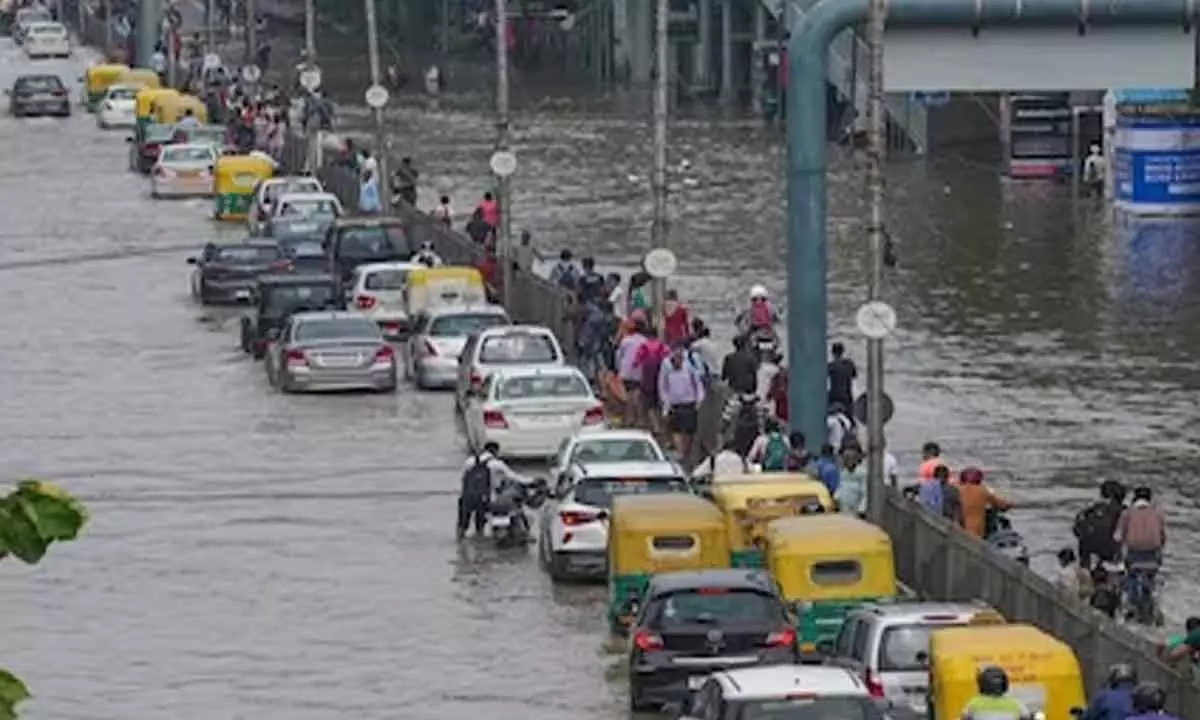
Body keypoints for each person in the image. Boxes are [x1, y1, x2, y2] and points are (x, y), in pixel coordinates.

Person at [457, 441, 529, 540]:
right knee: (481, 521)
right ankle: (480, 541)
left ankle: (460, 543)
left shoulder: (469, 461)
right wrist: (531, 481)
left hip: (467, 497)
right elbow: (513, 477)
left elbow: (462, 478)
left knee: (463, 523)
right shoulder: (496, 464)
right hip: (485, 499)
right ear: (496, 451)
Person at [1114, 485, 1166, 612]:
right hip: (1153, 556)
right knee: (1150, 578)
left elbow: (1118, 537)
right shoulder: (1158, 513)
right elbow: (1163, 537)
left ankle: (1130, 604)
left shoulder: (1127, 514)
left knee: (1130, 576)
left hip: (1134, 555)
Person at [658, 343, 705, 459]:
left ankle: (686, 453)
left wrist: (699, 400)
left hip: (689, 403)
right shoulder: (666, 365)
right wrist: (666, 403)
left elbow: (697, 383)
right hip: (674, 404)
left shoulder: (690, 365)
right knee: (676, 430)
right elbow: (662, 385)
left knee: (689, 432)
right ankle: (681, 453)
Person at [1073, 480, 1127, 570]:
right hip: (1110, 550)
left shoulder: (1090, 509)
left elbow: (1077, 528)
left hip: (1087, 550)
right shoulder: (1121, 510)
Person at [957, 467, 1011, 539]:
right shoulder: (983, 491)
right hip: (976, 531)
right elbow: (1002, 505)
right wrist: (1009, 504)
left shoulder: (956, 489)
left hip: (957, 528)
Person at [959, 666, 1031, 719]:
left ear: (982, 684)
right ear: (1004, 684)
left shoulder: (974, 702)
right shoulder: (1015, 703)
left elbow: (964, 716)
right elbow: (1026, 716)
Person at [615, 318, 650, 428]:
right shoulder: (645, 341)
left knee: (628, 395)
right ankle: (639, 419)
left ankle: (629, 419)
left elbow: (619, 356)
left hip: (626, 371)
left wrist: (618, 368)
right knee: (637, 395)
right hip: (639, 372)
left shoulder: (626, 340)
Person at [721, 390, 769, 459]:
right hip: (754, 438)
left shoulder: (734, 401)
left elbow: (724, 423)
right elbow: (763, 424)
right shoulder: (760, 402)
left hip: (737, 438)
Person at [836, 445, 867, 516]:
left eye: (849, 458)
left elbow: (865, 494)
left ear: (855, 459)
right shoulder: (843, 472)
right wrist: (836, 497)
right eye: (845, 458)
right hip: (843, 509)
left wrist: (861, 510)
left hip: (856, 510)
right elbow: (840, 487)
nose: (847, 461)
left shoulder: (862, 473)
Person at [827, 341, 857, 411]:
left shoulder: (831, 366)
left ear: (833, 353)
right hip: (847, 397)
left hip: (833, 397)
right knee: (851, 419)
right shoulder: (849, 364)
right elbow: (854, 375)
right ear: (842, 352)